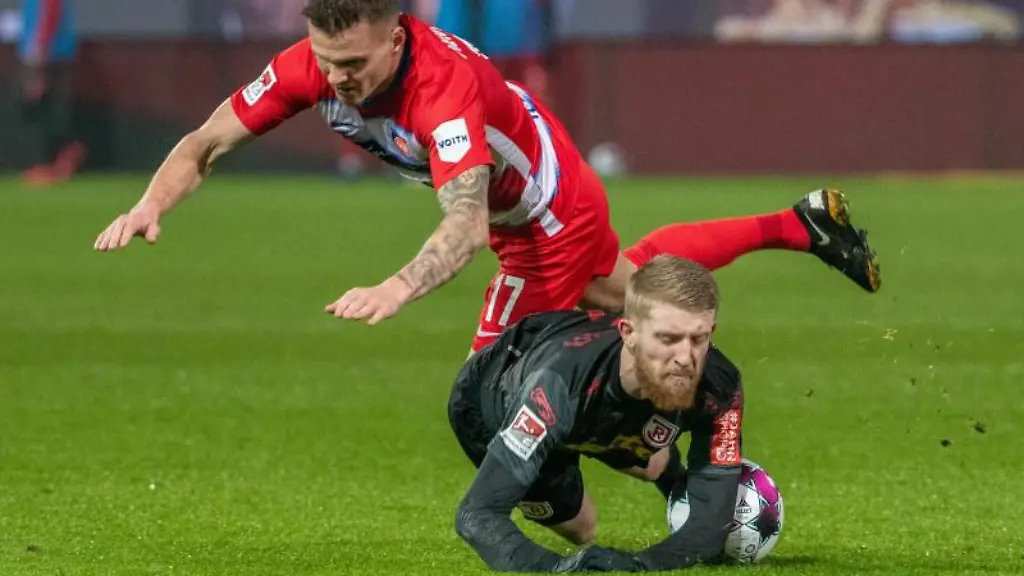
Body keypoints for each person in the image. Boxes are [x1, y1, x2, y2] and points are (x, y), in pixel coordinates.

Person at [92, 0, 881, 355]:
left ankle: (672, 473)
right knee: (629, 286)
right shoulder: (312, 65)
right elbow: (205, 141)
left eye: (356, 64)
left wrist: (397, 288)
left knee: (493, 399)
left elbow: (465, 225)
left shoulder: (440, 92)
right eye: (327, 63)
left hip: (540, 216)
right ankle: (799, 223)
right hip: (543, 177)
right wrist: (149, 203)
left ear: (397, 39)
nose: (339, 80)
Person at [449, 255, 745, 572]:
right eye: (668, 338)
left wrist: (639, 564)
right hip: (492, 398)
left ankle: (664, 473)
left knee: (650, 448)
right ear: (628, 332)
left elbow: (711, 525)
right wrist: (562, 569)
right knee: (581, 528)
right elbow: (477, 514)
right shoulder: (554, 388)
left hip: (593, 403)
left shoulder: (720, 385)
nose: (686, 358)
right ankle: (651, 463)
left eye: (699, 338)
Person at [18, 0, 86, 185]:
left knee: (47, 110)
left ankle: (54, 165)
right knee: (49, 109)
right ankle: (59, 162)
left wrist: (39, 50)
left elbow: (50, 12)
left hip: (51, 54)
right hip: (51, 53)